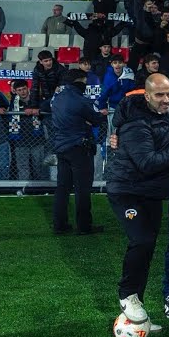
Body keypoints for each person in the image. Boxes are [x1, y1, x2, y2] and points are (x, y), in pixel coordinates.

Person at [106, 74, 169, 325]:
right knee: (142, 240)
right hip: (126, 190)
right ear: (146, 96)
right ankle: (127, 295)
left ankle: (139, 312)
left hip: (151, 192)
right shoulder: (136, 123)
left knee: (147, 249)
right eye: (160, 95)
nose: (167, 99)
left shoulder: (163, 108)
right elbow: (148, 163)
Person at [51, 69, 108, 234]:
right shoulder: (80, 100)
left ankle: (59, 224)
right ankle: (84, 226)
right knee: (82, 189)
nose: (86, 84)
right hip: (79, 148)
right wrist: (99, 116)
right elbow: (96, 119)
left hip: (61, 148)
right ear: (78, 81)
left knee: (62, 188)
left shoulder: (58, 98)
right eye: (84, 81)